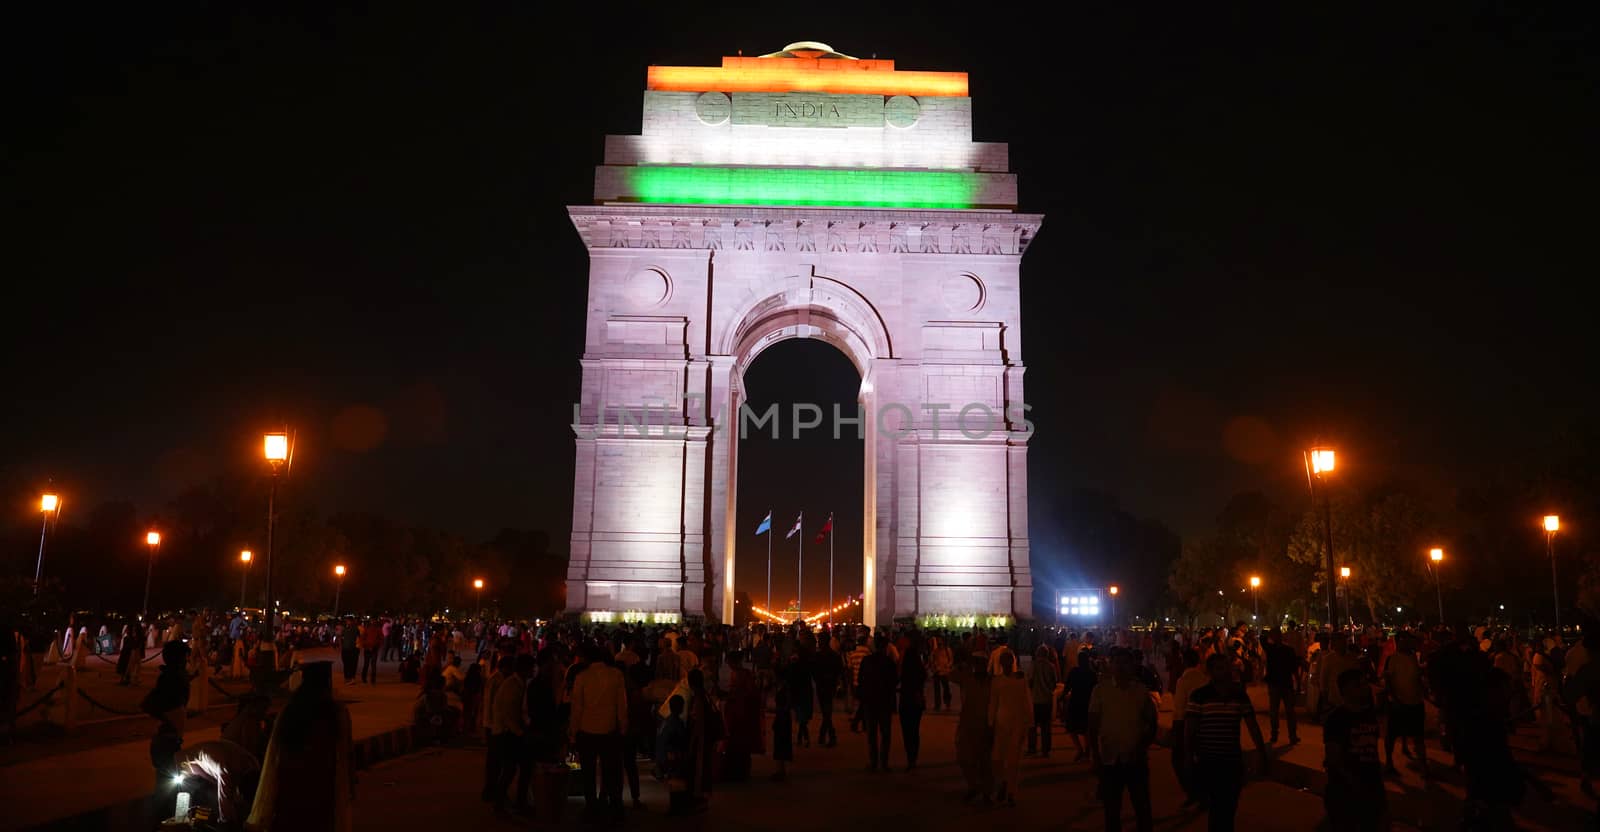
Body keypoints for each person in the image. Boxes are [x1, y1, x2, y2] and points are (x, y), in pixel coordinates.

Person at [245, 661, 355, 832]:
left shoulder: (289, 712)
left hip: (290, 792)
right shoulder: (337, 713)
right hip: (322, 791)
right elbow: (346, 754)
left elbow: (273, 758)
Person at [1186, 653, 1271, 831]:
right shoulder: (1199, 696)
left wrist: (1261, 753)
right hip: (1208, 761)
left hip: (1232, 761)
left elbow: (1252, 726)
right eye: (1219, 668)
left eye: (1226, 667)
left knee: (1229, 808)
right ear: (1210, 672)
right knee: (1217, 808)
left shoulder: (1239, 696)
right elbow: (1190, 730)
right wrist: (1189, 758)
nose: (1224, 672)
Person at [1089, 649, 1158, 832]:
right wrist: (1095, 756)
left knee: (1142, 808)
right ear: (1110, 665)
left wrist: (1142, 746)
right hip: (1110, 759)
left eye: (1124, 663)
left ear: (1132, 666)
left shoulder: (1141, 691)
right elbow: (1093, 726)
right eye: (1116, 662)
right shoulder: (1100, 691)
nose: (1120, 667)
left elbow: (1152, 723)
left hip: (1135, 759)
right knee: (1112, 811)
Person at [1323, 668, 1388, 831]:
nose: (1364, 688)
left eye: (1365, 683)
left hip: (1371, 785)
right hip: (1345, 790)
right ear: (1345, 690)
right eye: (1358, 685)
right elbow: (1333, 758)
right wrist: (1353, 782)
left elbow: (1372, 749)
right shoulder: (1336, 719)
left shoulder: (1369, 714)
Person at [569, 645, 628, 819]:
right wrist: (623, 727)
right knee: (611, 769)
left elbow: (577, 708)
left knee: (588, 772)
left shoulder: (582, 677)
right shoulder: (616, 675)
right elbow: (622, 705)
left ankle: (591, 806)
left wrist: (573, 732)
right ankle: (613, 803)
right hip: (610, 730)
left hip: (586, 730)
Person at [143, 640, 192, 790]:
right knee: (167, 779)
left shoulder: (175, 676)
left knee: (167, 777)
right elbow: (150, 703)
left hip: (171, 734)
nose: (186, 661)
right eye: (184, 658)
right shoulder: (171, 678)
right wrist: (168, 719)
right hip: (167, 735)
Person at [1381, 633, 1429, 780]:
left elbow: (1417, 677)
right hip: (1399, 703)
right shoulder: (1393, 658)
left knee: (1418, 735)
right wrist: (1394, 698)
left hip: (1415, 702)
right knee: (1392, 734)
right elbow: (1388, 680)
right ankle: (1389, 762)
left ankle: (1424, 767)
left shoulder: (1414, 657)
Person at [952, 653, 995, 803]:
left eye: (981, 664)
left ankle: (986, 792)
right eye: (977, 664)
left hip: (986, 725)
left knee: (985, 762)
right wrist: (963, 664)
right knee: (966, 758)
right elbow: (952, 675)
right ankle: (974, 786)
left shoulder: (992, 682)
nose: (979, 667)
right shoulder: (968, 678)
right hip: (968, 724)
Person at [1171, 648, 1208, 807]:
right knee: (1200, 761)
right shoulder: (1205, 679)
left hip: (1186, 724)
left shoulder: (1183, 681)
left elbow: (1180, 709)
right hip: (1205, 725)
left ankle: (1193, 792)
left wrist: (1176, 730)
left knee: (1179, 760)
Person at [720, 651, 763, 781]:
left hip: (742, 714)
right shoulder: (740, 674)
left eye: (729, 662)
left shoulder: (743, 674)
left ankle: (740, 772)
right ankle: (738, 771)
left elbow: (748, 693)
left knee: (739, 744)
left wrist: (732, 696)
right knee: (737, 745)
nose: (729, 665)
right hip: (737, 713)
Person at [856, 636, 898, 771]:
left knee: (872, 734)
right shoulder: (889, 662)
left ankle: (873, 762)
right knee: (885, 733)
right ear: (886, 647)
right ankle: (883, 762)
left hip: (870, 701)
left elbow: (860, 680)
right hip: (884, 701)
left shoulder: (867, 661)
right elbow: (894, 681)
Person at [1263, 629, 1301, 745]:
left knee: (1276, 711)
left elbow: (1293, 667)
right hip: (1284, 683)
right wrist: (1298, 682)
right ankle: (1291, 736)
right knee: (1288, 711)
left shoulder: (1271, 649)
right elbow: (1294, 668)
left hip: (1278, 683)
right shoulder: (1285, 649)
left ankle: (1276, 734)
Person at [655, 695, 691, 815]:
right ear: (681, 707)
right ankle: (677, 807)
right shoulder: (677, 723)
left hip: (663, 756)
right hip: (671, 756)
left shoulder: (666, 721)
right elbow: (682, 740)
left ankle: (675, 806)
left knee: (673, 782)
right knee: (677, 781)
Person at [1063, 650, 1098, 760]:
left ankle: (1080, 749)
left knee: (1072, 728)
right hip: (1087, 703)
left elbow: (1067, 687)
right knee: (1086, 728)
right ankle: (1087, 749)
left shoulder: (1074, 672)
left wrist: (1062, 697)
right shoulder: (1092, 674)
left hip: (1076, 702)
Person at [1027, 644, 1059, 757]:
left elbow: (1029, 681)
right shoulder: (1051, 666)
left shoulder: (1033, 665)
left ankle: (1032, 748)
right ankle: (1046, 750)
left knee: (1032, 726)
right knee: (1046, 727)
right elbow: (1054, 683)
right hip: (1046, 700)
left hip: (1035, 700)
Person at [812, 640, 844, 747]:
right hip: (831, 685)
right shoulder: (834, 656)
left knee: (826, 711)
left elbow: (814, 671)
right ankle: (827, 734)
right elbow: (839, 670)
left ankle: (828, 734)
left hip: (822, 685)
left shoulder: (818, 656)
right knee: (827, 710)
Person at [771, 675, 794, 782]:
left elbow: (786, 706)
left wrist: (777, 711)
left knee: (780, 744)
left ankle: (781, 770)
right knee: (781, 744)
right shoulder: (783, 689)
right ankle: (781, 769)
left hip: (782, 719)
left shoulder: (785, 690)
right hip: (783, 718)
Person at [929, 636, 955, 711]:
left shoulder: (947, 650)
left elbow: (951, 660)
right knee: (937, 689)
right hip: (937, 672)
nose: (940, 643)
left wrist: (947, 666)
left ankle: (947, 703)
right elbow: (932, 660)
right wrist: (935, 667)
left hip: (944, 672)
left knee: (946, 688)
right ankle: (937, 705)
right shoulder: (935, 651)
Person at [359, 619, 382, 684]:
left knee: (368, 664)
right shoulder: (376, 630)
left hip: (371, 648)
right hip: (370, 648)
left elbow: (362, 639)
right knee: (371, 665)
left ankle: (367, 679)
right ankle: (371, 679)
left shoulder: (376, 630)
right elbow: (362, 639)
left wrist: (368, 645)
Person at [338, 620, 359, 685]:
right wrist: (341, 646)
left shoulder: (355, 629)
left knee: (349, 664)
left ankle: (350, 678)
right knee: (349, 664)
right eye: (347, 621)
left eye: (348, 621)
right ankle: (349, 678)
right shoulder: (346, 629)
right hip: (348, 649)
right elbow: (340, 637)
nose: (348, 623)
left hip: (351, 649)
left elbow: (359, 638)